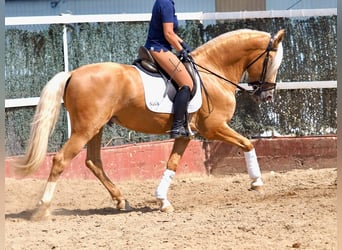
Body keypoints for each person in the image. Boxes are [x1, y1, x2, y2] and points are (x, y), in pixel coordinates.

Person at [144, 0, 193, 139]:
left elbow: (171, 33)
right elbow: (168, 34)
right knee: (187, 84)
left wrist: (183, 43)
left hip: (160, 47)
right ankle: (177, 127)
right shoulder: (166, 3)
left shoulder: (164, 2)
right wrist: (181, 50)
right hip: (159, 49)